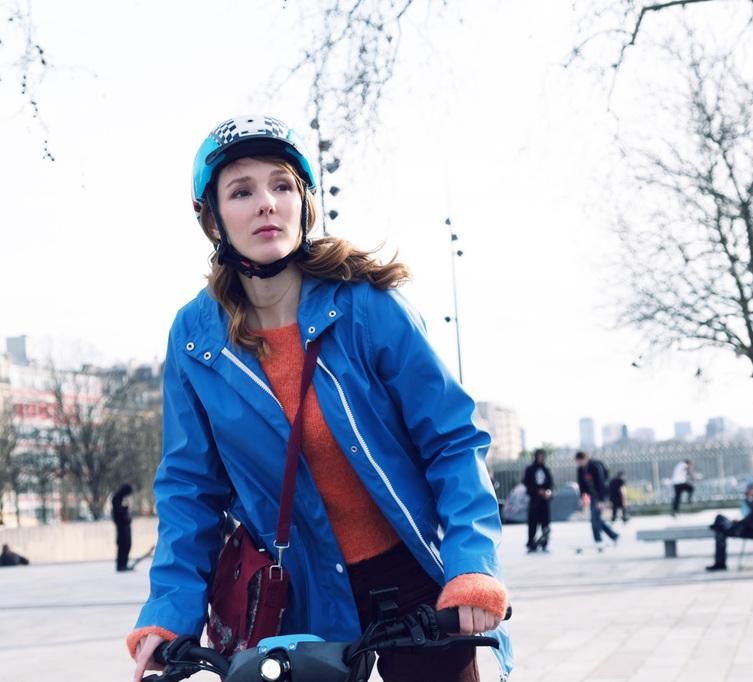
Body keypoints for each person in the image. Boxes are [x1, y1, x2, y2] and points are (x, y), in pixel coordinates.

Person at [127, 115, 510, 682]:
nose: (266, 204)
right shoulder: (195, 337)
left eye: (282, 186)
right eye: (242, 191)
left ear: (304, 203)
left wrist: (472, 566)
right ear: (212, 218)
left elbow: (452, 440)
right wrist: (168, 615)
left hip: (414, 576)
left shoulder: (367, 306)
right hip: (298, 591)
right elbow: (190, 487)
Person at [706, 483, 753, 571]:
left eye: (750, 488)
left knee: (719, 522)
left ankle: (720, 563)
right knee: (720, 527)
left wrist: (738, 523)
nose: (748, 490)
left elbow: (749, 521)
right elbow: (751, 519)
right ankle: (720, 563)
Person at [575, 451, 618, 547]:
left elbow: (601, 483)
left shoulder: (595, 466)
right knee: (596, 519)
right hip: (591, 496)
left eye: (579, 461)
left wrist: (601, 500)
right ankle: (614, 536)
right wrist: (583, 498)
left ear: (584, 459)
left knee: (594, 518)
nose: (579, 464)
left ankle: (598, 540)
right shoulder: (580, 469)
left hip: (599, 496)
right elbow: (582, 486)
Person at [522, 448, 553, 553]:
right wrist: (537, 491)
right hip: (534, 500)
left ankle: (544, 543)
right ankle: (531, 543)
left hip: (544, 501)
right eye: (539, 456)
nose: (541, 458)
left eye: (543, 456)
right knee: (533, 523)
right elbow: (527, 483)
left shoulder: (546, 470)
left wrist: (548, 492)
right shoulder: (530, 469)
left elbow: (550, 484)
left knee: (546, 524)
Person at [112, 484, 134, 572]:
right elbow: (117, 511)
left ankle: (124, 564)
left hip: (125, 525)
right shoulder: (117, 497)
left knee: (127, 544)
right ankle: (121, 565)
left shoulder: (123, 498)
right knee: (122, 545)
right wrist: (125, 509)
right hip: (121, 526)